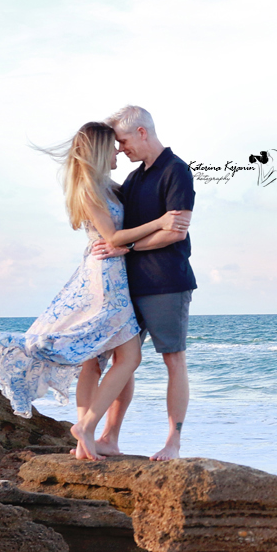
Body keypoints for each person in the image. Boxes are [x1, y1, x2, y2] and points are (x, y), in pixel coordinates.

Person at [0, 121, 190, 460]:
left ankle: (88, 439)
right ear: (101, 150)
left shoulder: (108, 185)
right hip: (105, 280)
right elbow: (114, 238)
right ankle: (86, 427)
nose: (120, 150)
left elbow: (130, 219)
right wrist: (162, 222)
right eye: (114, 145)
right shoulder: (88, 189)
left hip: (114, 275)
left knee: (100, 358)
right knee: (129, 357)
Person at [88, 105, 196, 461]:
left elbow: (175, 234)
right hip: (131, 284)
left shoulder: (177, 171)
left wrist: (128, 246)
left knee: (173, 360)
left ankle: (172, 444)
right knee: (124, 358)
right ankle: (109, 438)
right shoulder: (135, 178)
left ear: (142, 133)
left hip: (167, 282)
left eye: (122, 141)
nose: (120, 149)